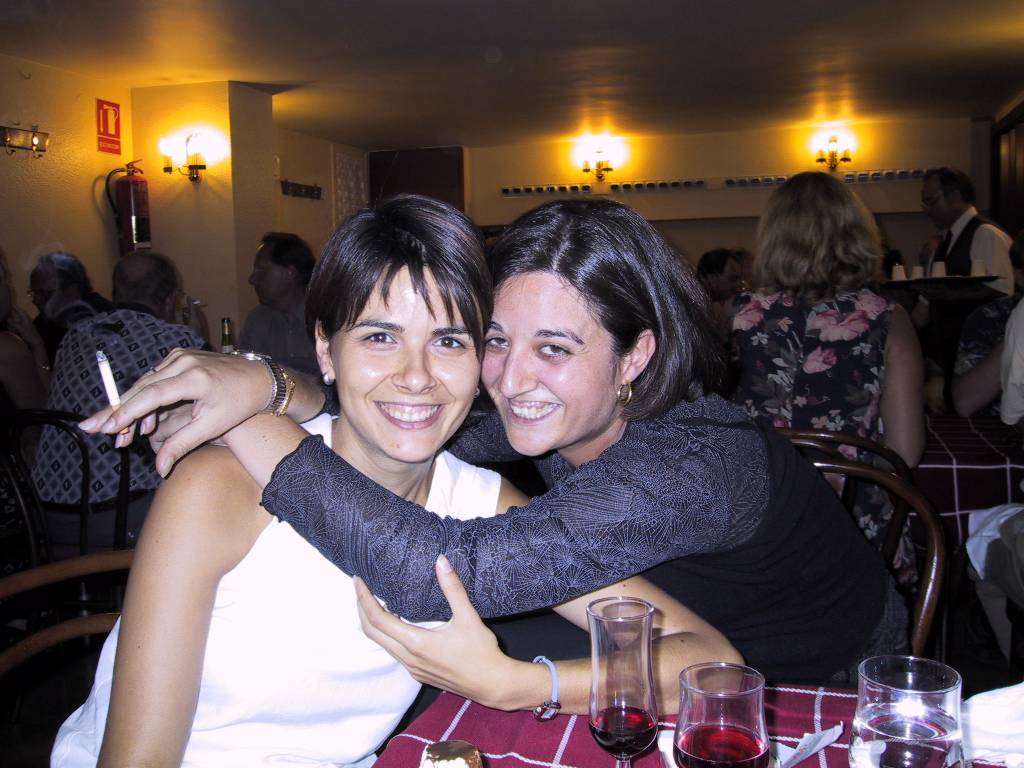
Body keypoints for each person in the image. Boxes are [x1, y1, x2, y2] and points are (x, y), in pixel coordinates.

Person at [85, 198, 907, 685]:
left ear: (636, 356)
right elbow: (410, 409)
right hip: (659, 628)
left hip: (810, 681)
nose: (512, 379)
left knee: (472, 658)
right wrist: (271, 381)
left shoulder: (683, 465)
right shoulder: (565, 411)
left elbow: (437, 573)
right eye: (495, 340)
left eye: (555, 348)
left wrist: (249, 420)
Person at [56, 196, 733, 766]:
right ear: (325, 349)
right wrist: (269, 386)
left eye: (449, 340)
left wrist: (524, 682)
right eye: (379, 337)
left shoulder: (481, 501)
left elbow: (706, 657)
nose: (416, 376)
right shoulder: (219, 489)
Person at [731, 171, 924, 587]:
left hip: (754, 528)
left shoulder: (736, 315)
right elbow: (905, 452)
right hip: (852, 526)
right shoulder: (887, 319)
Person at [32, 251, 206, 554]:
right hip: (117, 517)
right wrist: (199, 341)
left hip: (46, 514)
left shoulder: (74, 335)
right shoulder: (177, 342)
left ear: (115, 293)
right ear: (170, 299)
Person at [240, 231, 319, 375]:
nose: (252, 279)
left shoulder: (326, 317)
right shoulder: (256, 320)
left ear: (290, 273)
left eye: (262, 271)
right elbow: (244, 373)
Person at [28, 251, 113, 363]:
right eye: (34, 293)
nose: (35, 300)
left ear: (72, 291)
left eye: (45, 293)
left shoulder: (102, 317)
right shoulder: (42, 324)